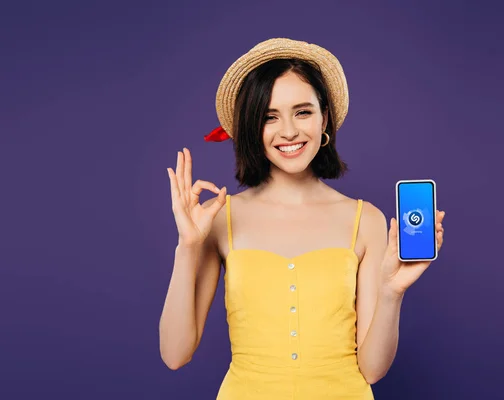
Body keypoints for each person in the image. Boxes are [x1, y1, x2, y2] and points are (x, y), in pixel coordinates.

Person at [159, 38, 445, 399]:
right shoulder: (219, 219)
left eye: (303, 112)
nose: (289, 131)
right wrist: (187, 246)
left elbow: (372, 369)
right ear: (251, 127)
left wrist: (392, 293)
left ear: (324, 117)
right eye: (269, 116)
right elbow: (174, 353)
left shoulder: (366, 220)